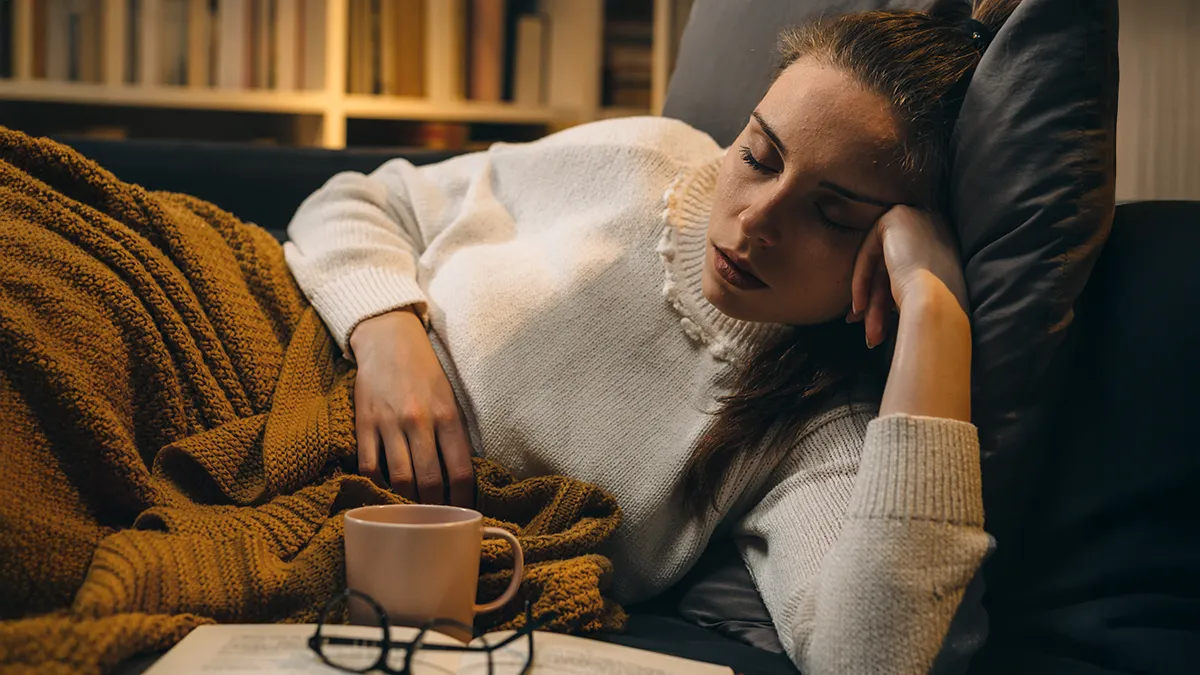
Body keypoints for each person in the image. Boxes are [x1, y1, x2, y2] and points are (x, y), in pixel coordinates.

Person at [285, 1, 1020, 672]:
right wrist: (385, 330)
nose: (756, 219)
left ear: (884, 251)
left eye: (833, 215)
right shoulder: (645, 157)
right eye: (758, 157)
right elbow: (359, 198)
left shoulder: (814, 429)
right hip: (286, 338)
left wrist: (933, 311)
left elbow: (877, 658)